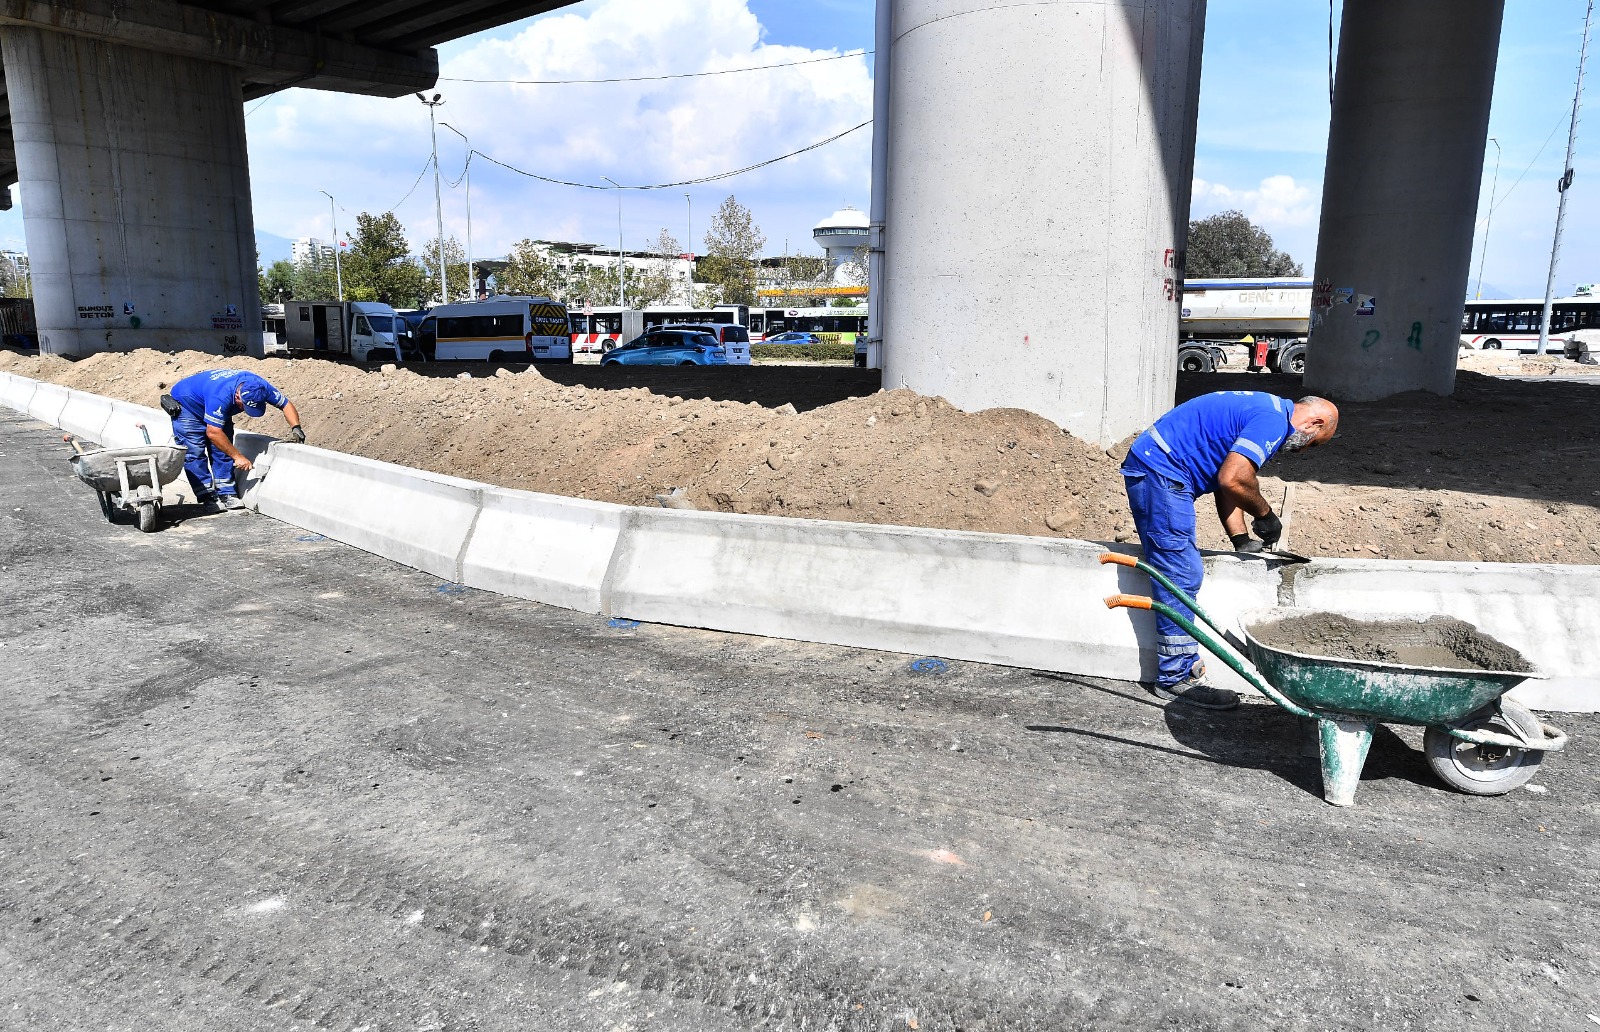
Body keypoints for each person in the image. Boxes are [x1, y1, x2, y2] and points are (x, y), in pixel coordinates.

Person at [1121, 391, 1339, 710]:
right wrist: (1266, 516)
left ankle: (1177, 670)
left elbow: (1227, 482)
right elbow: (1234, 479)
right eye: (1314, 442)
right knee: (1180, 574)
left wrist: (1240, 538)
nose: (1305, 450)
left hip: (1158, 466)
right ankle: (1175, 676)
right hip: (1161, 472)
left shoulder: (1267, 409)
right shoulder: (1272, 422)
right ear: (1314, 423)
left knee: (1181, 571)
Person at [161, 368, 304, 510]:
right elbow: (213, 433)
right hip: (188, 406)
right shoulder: (221, 395)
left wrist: (295, 427)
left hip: (210, 400)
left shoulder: (260, 387)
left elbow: (285, 404)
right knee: (194, 451)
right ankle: (207, 495)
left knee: (223, 448)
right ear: (237, 396)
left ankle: (227, 492)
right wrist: (238, 457)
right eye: (245, 406)